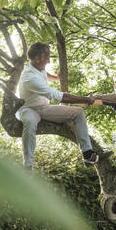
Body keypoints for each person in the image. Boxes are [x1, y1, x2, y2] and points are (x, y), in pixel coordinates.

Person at [15, 42, 98, 170]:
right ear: (38, 59)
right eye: (47, 57)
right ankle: (28, 166)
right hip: (28, 109)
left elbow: (44, 73)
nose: (49, 61)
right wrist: (86, 99)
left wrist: (56, 78)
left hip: (44, 108)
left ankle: (87, 153)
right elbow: (61, 96)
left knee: (78, 112)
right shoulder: (29, 78)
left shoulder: (36, 66)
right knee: (30, 122)